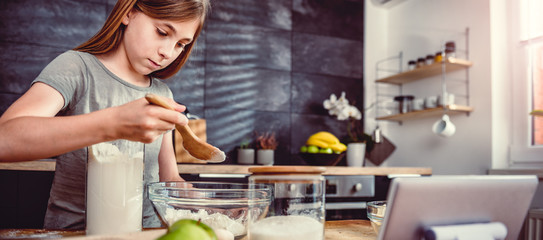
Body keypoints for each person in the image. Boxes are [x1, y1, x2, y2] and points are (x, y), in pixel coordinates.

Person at [0, 0, 210, 229]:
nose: (167, 52)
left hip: (147, 233)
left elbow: (168, 178)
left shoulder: (161, 93)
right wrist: (114, 123)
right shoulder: (76, 69)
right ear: (128, 13)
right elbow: (5, 139)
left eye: (181, 44)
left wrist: (210, 204)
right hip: (77, 233)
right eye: (162, 32)